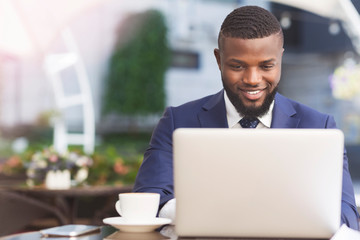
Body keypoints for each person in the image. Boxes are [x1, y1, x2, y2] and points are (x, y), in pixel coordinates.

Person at [133, 5, 360, 230]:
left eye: (266, 66)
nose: (252, 79)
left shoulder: (319, 127)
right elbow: (148, 199)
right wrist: (201, 214)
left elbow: (348, 215)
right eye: (238, 66)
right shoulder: (177, 121)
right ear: (219, 60)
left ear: (280, 59)